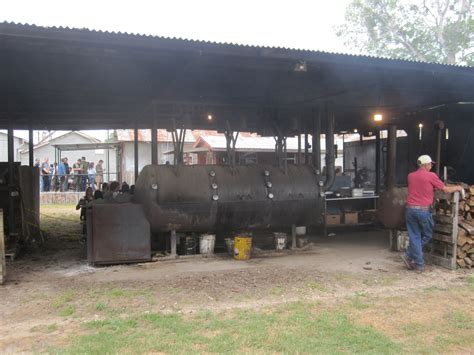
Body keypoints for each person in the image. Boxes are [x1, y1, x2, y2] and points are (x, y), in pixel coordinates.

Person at [401, 155, 463, 273]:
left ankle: (411, 257)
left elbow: (420, 187)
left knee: (414, 236)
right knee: (427, 235)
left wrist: (431, 189)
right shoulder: (431, 176)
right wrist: (458, 187)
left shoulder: (410, 176)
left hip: (410, 210)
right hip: (423, 211)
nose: (431, 166)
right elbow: (445, 189)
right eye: (430, 164)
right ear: (425, 165)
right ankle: (416, 261)